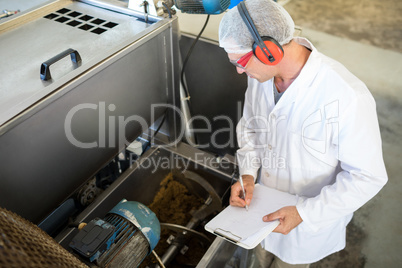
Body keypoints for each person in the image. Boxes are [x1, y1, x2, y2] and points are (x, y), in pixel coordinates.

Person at [218, 0, 388, 267]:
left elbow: (367, 177)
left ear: (269, 51)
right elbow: (251, 125)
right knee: (258, 260)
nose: (239, 70)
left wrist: (304, 213)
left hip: (306, 226)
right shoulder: (260, 78)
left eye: (239, 61)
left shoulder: (346, 96)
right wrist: (248, 173)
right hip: (261, 211)